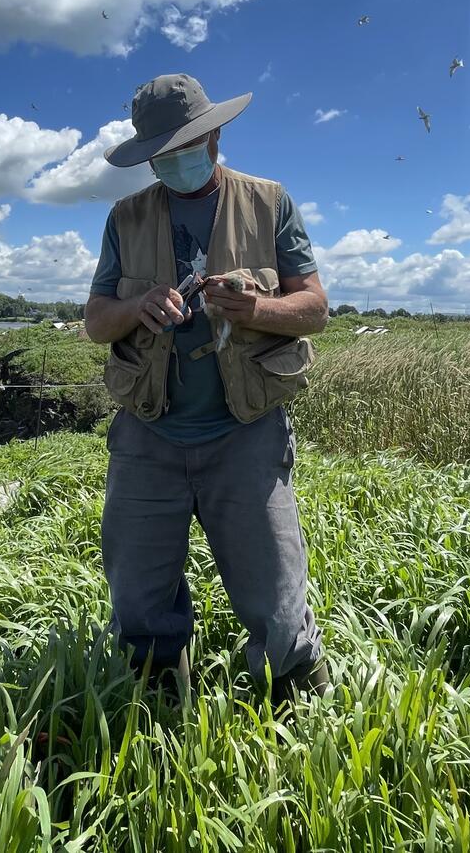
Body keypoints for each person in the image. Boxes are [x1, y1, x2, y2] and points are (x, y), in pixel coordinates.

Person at [84, 73, 330, 705]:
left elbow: (314, 307)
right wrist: (139, 304)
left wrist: (255, 309)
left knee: (277, 594)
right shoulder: (125, 216)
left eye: (187, 145)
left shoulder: (269, 201)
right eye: (161, 154)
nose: (176, 162)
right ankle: (158, 704)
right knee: (137, 594)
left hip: (246, 432)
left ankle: (297, 709)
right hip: (148, 431)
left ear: (215, 133)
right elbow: (96, 321)